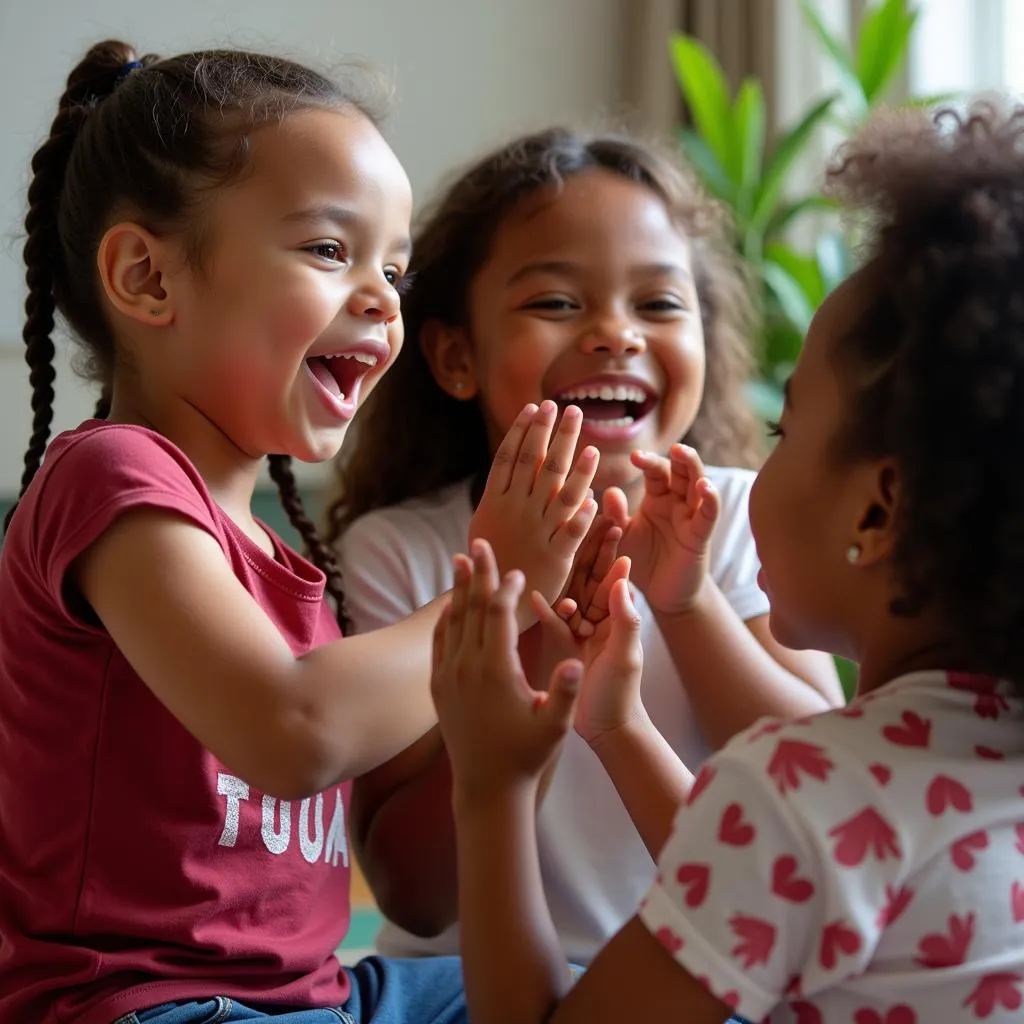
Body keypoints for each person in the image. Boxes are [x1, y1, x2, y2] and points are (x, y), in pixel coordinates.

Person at [0, 41, 602, 1024]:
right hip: (150, 1006)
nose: (379, 297)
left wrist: (542, 634)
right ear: (147, 277)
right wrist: (498, 586)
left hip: (312, 997)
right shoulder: (109, 476)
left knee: (601, 996)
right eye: (329, 250)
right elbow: (294, 729)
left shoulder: (287, 559)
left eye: (394, 271)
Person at [431, 102, 1024, 1023]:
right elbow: (761, 886)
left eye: (786, 428)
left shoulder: (801, 791)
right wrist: (621, 728)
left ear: (878, 509)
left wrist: (494, 787)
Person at [327, 127, 844, 961]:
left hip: (704, 980)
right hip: (458, 986)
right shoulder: (401, 551)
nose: (615, 334)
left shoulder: (743, 515)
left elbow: (826, 788)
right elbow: (417, 899)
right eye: (557, 303)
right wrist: (528, 624)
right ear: (457, 355)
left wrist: (687, 601)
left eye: (660, 304)